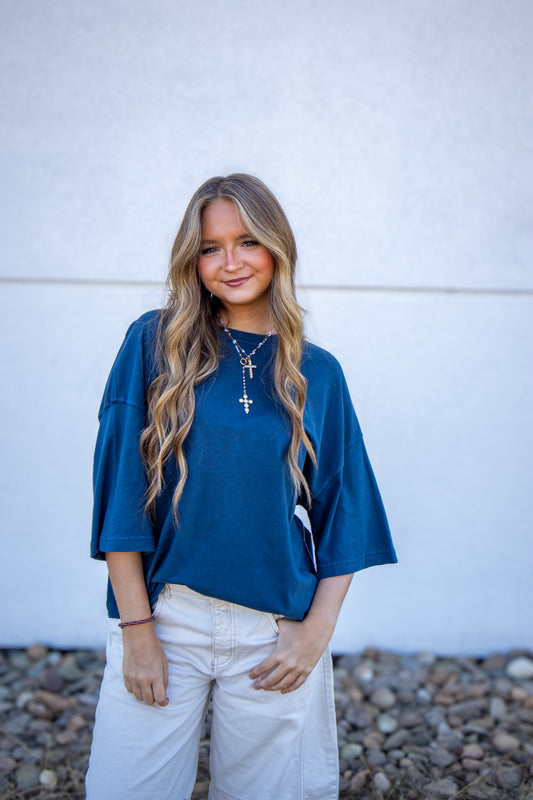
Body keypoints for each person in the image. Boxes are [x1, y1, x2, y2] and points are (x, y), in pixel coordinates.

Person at [85, 173, 397, 800]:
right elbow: (120, 494)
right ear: (191, 258)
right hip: (166, 617)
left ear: (277, 248)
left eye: (247, 241)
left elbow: (347, 511)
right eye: (210, 247)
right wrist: (137, 631)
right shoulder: (154, 343)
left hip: (273, 630)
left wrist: (315, 635)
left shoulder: (318, 371)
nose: (230, 262)